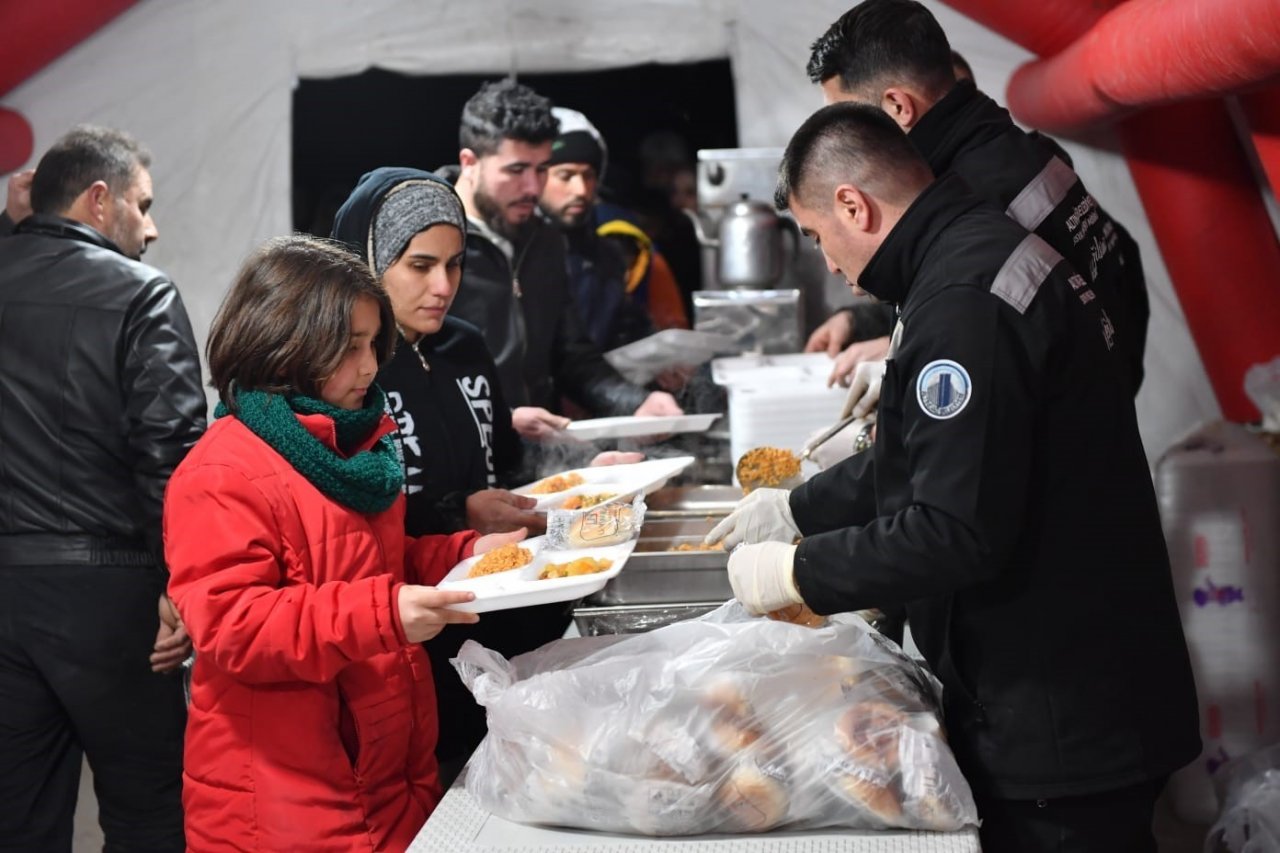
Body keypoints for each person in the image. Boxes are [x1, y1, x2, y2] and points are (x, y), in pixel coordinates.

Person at [710, 103, 1199, 853]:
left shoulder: (962, 302)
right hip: (1074, 671)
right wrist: (797, 508)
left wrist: (798, 570)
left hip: (1059, 705)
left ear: (854, 205)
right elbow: (934, 457)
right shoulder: (969, 256)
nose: (829, 264)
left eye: (816, 236)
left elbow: (954, 530)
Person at [162, 234, 526, 849]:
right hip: (283, 801)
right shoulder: (222, 471)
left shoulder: (352, 445)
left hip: (383, 773)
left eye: (372, 344)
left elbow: (375, 563)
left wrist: (464, 556)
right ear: (285, 346)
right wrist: (384, 614)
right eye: (349, 347)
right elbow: (233, 626)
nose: (370, 366)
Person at [331, 168, 642, 782]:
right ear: (368, 263)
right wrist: (458, 513)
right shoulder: (348, 369)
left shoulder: (465, 345)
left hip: (506, 615)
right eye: (420, 266)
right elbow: (346, 517)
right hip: (411, 633)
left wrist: (579, 473)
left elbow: (506, 461)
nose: (442, 286)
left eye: (454, 265)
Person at [0, 126, 205, 850]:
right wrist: (182, 582)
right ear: (97, 199)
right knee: (149, 811)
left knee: (17, 821)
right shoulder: (140, 292)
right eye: (141, 205)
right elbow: (171, 452)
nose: (150, 228)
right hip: (111, 597)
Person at [804, 0, 1149, 401]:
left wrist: (912, 357)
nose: (845, 141)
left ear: (898, 107)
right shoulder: (1022, 151)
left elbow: (977, 319)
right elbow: (1119, 257)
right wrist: (865, 324)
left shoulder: (967, 202)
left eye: (850, 121)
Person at [446, 79, 682, 438]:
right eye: (516, 170)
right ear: (469, 162)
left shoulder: (545, 241)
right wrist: (499, 419)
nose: (532, 187)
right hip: (459, 455)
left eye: (541, 169)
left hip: (541, 452)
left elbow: (573, 357)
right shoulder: (430, 242)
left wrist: (636, 402)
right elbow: (405, 373)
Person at [540, 106, 688, 350]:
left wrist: (662, 356)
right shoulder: (510, 255)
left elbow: (624, 328)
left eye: (589, 176)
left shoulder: (608, 254)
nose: (581, 189)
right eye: (565, 176)